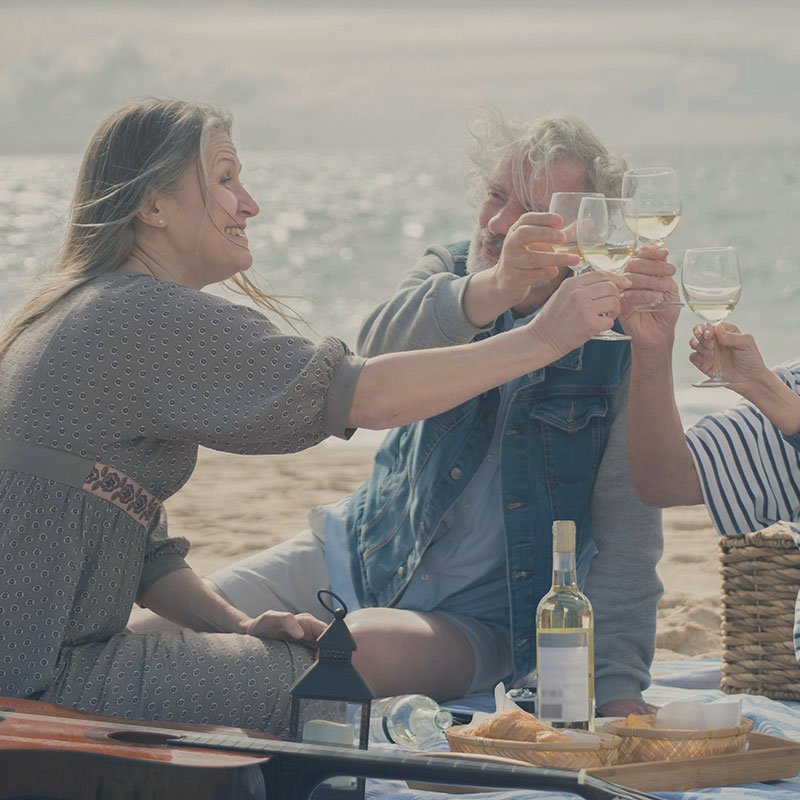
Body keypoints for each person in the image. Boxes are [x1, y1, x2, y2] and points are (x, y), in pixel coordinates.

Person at [0, 99, 630, 735]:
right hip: (43, 681)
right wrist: (543, 339)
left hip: (32, 665)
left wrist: (239, 629)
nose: (249, 204)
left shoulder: (86, 308)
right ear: (153, 207)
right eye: (224, 179)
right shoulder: (143, 316)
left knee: (284, 656)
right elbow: (363, 395)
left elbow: (147, 552)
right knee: (323, 681)